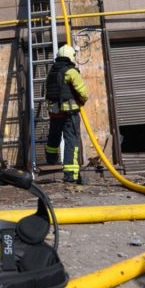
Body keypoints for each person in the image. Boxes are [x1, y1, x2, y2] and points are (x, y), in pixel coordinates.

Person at [44, 44, 89, 184]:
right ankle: (70, 174)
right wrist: (82, 100)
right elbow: (83, 93)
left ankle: (51, 159)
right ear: (71, 56)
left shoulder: (51, 71)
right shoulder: (71, 71)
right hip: (70, 112)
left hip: (55, 112)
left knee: (54, 136)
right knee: (71, 141)